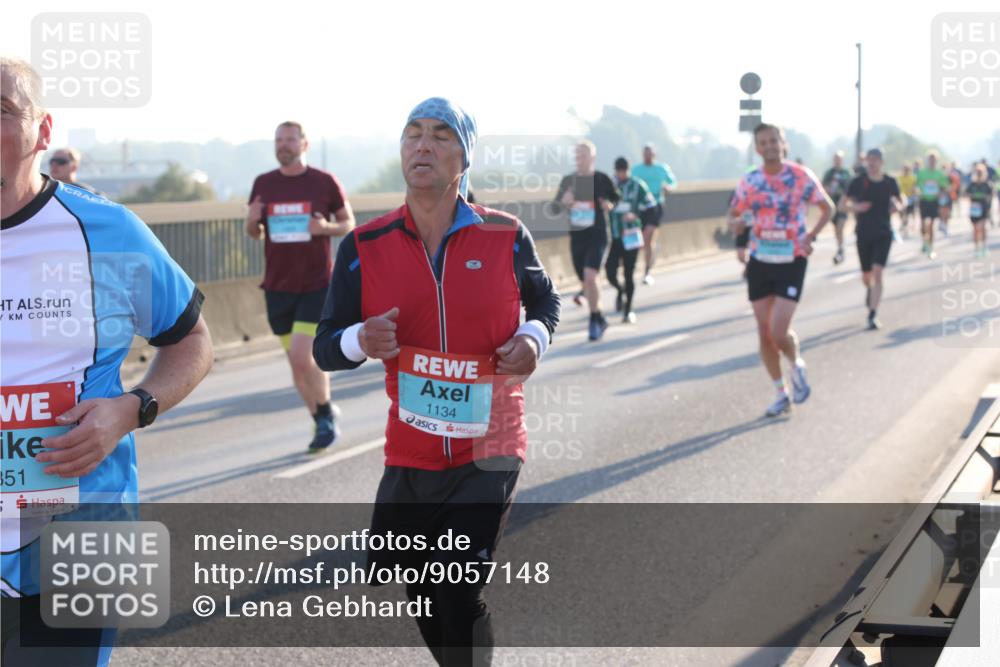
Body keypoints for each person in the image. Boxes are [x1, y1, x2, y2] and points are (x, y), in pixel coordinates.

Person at [312, 97, 560, 667]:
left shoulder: (506, 234)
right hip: (412, 450)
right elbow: (326, 345)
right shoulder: (363, 247)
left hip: (490, 442)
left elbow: (544, 299)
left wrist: (533, 339)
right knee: (423, 592)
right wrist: (359, 340)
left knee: (458, 588)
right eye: (413, 134)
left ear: (464, 157)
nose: (423, 145)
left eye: (441, 136)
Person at [1, 56, 213, 667]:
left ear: (43, 132)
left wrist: (133, 407)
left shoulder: (108, 232)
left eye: (2, 111)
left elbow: (192, 340)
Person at [245, 121, 356, 453]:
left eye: (291, 140)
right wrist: (251, 221)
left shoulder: (323, 182)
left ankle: (323, 418)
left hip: (316, 284)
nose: (284, 145)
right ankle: (321, 415)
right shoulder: (263, 183)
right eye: (279, 140)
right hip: (278, 286)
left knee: (301, 356)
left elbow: (349, 223)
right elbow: (256, 233)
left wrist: (324, 228)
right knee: (297, 363)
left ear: (304, 145)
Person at [730, 123, 833, 417]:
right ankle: (780, 393)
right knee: (764, 333)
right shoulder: (750, 181)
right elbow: (734, 213)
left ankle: (796, 363)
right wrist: (736, 226)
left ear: (783, 144)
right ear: (757, 148)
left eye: (774, 141)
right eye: (763, 142)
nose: (770, 146)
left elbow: (828, 207)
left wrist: (811, 236)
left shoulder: (800, 176)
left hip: (792, 259)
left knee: (778, 330)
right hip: (760, 260)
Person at [552, 140, 618, 341]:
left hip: (597, 235)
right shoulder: (568, 181)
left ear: (592, 157)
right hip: (578, 237)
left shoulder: (602, 179)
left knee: (590, 276)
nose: (579, 160)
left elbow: (616, 198)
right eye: (577, 156)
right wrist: (563, 202)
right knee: (586, 280)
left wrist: (609, 204)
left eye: (583, 156)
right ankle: (599, 315)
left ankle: (593, 320)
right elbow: (555, 207)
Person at [840, 148, 903, 330]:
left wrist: (898, 206)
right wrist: (857, 207)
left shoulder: (890, 182)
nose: (872, 163)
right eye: (869, 160)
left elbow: (900, 200)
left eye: (876, 160)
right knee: (867, 276)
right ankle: (869, 289)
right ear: (866, 162)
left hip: (884, 233)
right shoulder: (858, 182)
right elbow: (842, 205)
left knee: (878, 272)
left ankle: (872, 314)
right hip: (863, 233)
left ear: (882, 162)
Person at [607, 157, 656, 323]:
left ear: (628, 170)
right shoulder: (610, 185)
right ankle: (620, 290)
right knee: (610, 271)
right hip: (615, 235)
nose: (621, 175)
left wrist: (636, 215)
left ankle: (628, 309)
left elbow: (651, 205)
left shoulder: (638, 185)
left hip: (632, 235)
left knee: (629, 273)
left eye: (623, 171)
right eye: (618, 172)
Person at [631, 143, 677, 285]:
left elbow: (673, 182)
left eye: (650, 154)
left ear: (654, 155)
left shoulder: (662, 168)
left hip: (656, 205)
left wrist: (668, 187)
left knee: (647, 236)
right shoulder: (636, 169)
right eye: (645, 154)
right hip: (640, 207)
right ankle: (650, 254)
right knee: (641, 241)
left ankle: (646, 272)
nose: (647, 156)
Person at [915, 151, 950, 258]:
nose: (932, 162)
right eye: (930, 159)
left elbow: (945, 187)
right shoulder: (921, 172)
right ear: (927, 160)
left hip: (934, 201)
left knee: (930, 224)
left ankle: (930, 248)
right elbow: (915, 185)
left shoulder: (940, 174)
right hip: (924, 200)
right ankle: (924, 242)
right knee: (922, 226)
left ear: (937, 161)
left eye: (934, 160)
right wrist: (917, 192)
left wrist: (941, 193)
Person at [821, 151, 852, 264]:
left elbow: (852, 187)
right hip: (832, 205)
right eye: (835, 159)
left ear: (842, 160)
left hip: (843, 205)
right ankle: (840, 246)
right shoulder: (829, 173)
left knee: (840, 227)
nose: (837, 161)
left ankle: (840, 250)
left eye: (839, 159)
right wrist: (826, 189)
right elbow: (822, 186)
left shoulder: (846, 173)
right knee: (836, 229)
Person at [968, 163, 994, 257]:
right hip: (974, 210)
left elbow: (991, 195)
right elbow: (966, 194)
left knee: (982, 228)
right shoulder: (972, 184)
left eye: (980, 172)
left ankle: (983, 246)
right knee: (975, 229)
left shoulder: (987, 184)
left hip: (984, 209)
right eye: (977, 172)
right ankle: (976, 248)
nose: (979, 174)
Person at [896, 163, 917, 238]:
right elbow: (897, 187)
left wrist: (915, 192)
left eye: (907, 170)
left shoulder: (913, 178)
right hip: (901, 197)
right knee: (901, 213)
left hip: (910, 198)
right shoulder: (899, 178)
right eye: (904, 169)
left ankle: (905, 226)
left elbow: (915, 187)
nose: (906, 171)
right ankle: (903, 224)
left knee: (907, 213)